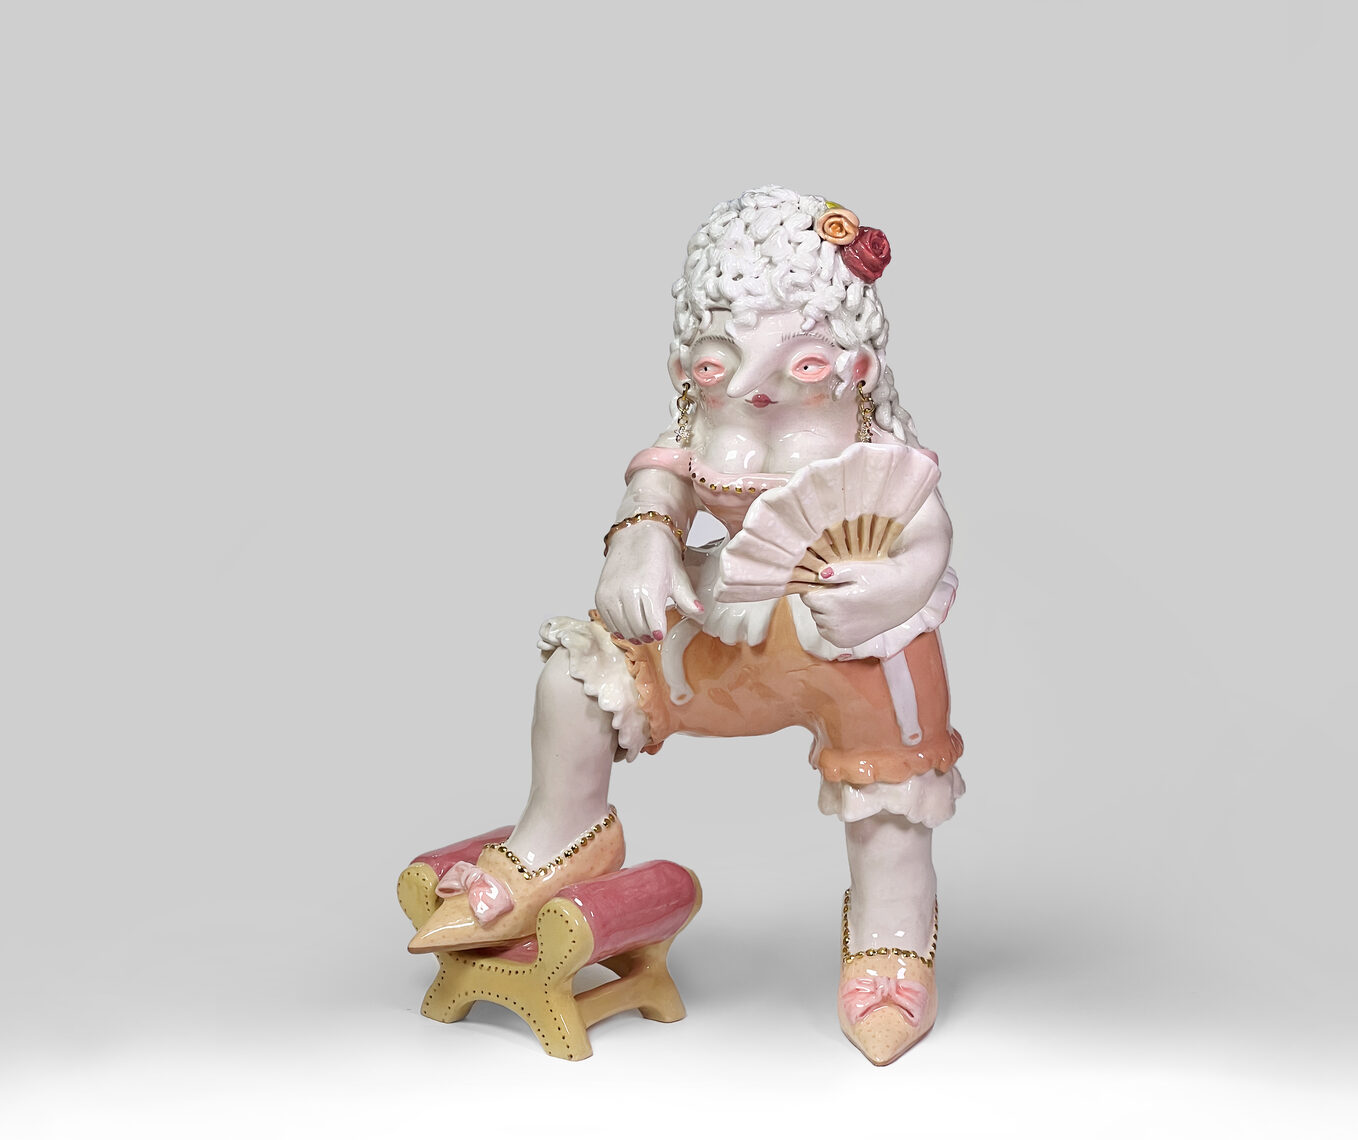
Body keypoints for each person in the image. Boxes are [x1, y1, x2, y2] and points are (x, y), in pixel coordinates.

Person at [410, 186, 963, 1065]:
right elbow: (661, 479)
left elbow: (925, 531)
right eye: (717, 366)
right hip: (726, 628)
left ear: (853, 366)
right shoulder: (704, 421)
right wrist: (641, 535)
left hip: (852, 641)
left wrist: (889, 590)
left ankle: (892, 929)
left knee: (888, 781)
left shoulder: (871, 443)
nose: (751, 389)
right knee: (576, 680)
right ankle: (557, 841)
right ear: (688, 361)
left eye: (799, 365)